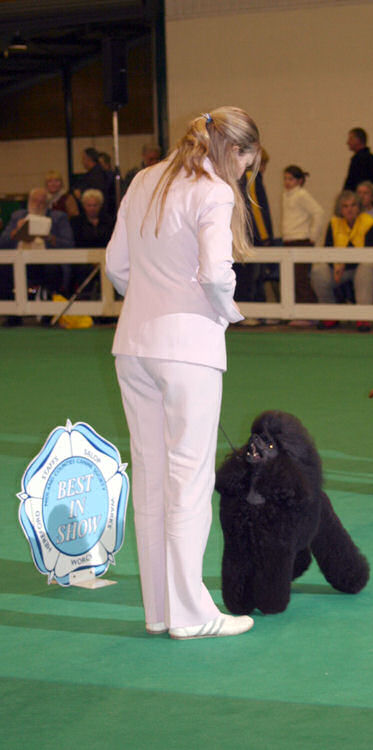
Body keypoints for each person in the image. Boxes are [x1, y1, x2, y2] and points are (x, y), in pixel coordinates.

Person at [106, 106, 260, 639]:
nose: (244, 175)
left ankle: (161, 611)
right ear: (234, 151)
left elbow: (116, 267)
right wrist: (228, 313)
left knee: (150, 477)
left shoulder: (145, 179)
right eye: (248, 163)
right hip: (188, 347)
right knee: (188, 481)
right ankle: (192, 615)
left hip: (133, 346)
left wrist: (149, 301)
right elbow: (217, 272)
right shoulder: (214, 190)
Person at [311, 190, 373, 332]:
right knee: (318, 271)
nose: (349, 209)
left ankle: (364, 317)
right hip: (341, 267)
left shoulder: (369, 223)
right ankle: (330, 315)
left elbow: (371, 253)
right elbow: (328, 250)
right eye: (345, 206)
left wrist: (343, 264)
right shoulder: (333, 223)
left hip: (372, 265)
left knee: (365, 268)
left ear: (359, 207)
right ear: (340, 209)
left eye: (353, 205)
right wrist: (336, 266)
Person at [0, 187, 74, 324]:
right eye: (35, 201)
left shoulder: (58, 217)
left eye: (42, 202)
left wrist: (50, 238)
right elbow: (3, 242)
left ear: (48, 203)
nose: (38, 204)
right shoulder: (17, 216)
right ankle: (13, 314)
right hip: (20, 261)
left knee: (53, 270)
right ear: (29, 201)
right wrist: (15, 233)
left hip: (46, 261)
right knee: (3, 270)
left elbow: (69, 243)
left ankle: (48, 313)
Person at [235, 147, 274, 324]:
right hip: (253, 237)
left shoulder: (240, 177)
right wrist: (265, 237)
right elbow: (257, 210)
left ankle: (255, 313)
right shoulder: (252, 178)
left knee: (250, 275)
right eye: (263, 164)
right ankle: (249, 314)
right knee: (251, 276)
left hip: (243, 235)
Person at [281, 164, 324, 317]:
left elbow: (318, 212)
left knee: (300, 278)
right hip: (289, 241)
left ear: (299, 181)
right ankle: (299, 312)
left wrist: (313, 236)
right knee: (291, 278)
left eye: (291, 179)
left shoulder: (301, 194)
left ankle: (311, 312)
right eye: (285, 179)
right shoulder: (286, 195)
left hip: (301, 240)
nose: (287, 182)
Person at [343, 128, 373, 208]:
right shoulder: (370, 159)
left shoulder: (360, 160)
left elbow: (352, 184)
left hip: (363, 208)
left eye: (351, 139)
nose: (347, 142)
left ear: (358, 140)